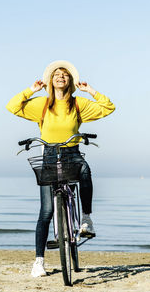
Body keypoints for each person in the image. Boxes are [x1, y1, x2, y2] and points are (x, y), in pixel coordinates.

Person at [6, 60, 115, 277]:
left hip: (72, 152)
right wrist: (31, 90)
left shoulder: (78, 104)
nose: (60, 76)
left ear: (70, 80)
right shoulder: (42, 104)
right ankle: (38, 262)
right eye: (56, 74)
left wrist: (90, 90)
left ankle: (86, 217)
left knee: (85, 170)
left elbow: (108, 107)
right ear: (50, 80)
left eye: (65, 74)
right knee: (46, 211)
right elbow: (13, 106)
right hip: (48, 155)